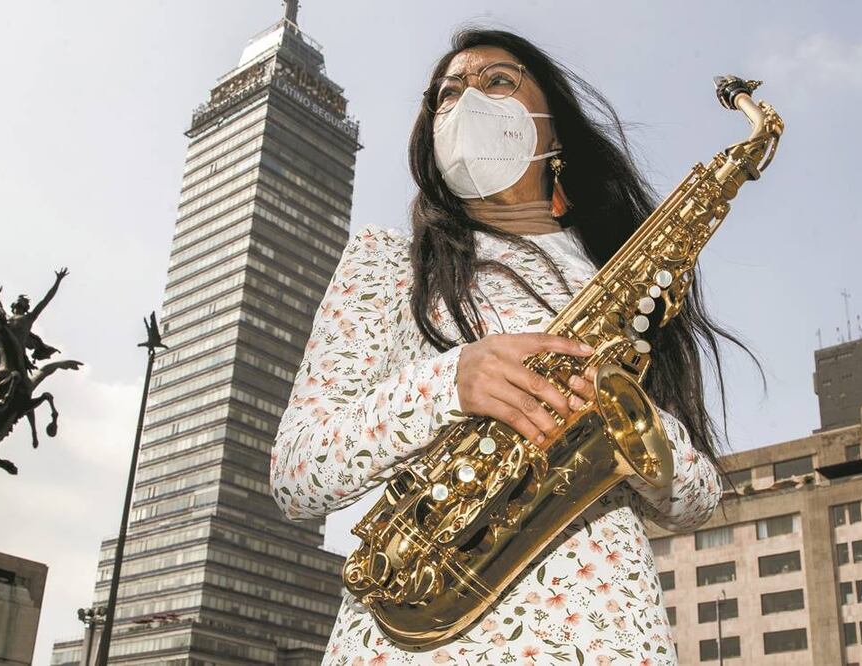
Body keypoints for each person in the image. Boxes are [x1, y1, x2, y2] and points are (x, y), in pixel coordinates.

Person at [270, 28, 752, 665]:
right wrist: (447, 384)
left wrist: (631, 417)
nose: (468, 99)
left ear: (553, 129)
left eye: (497, 80)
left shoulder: (626, 277)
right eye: (447, 94)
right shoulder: (387, 261)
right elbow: (297, 476)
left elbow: (699, 501)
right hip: (424, 641)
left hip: (610, 638)